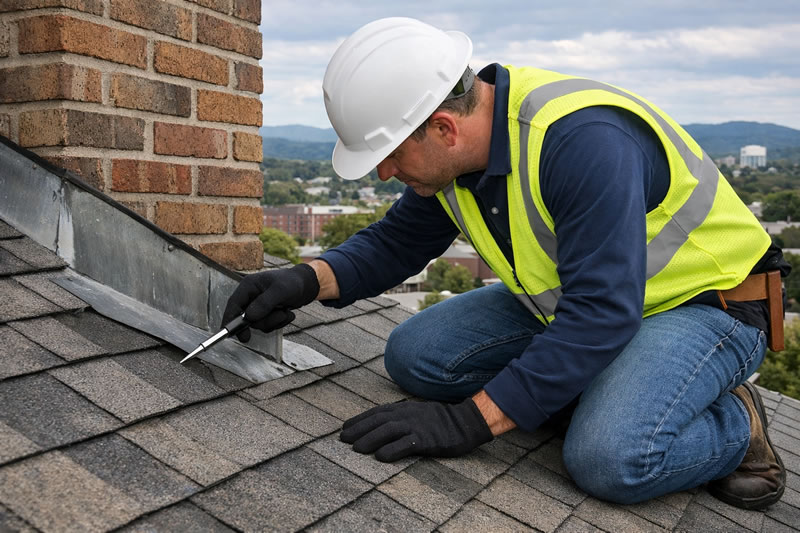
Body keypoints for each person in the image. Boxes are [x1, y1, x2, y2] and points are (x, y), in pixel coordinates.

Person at [222, 17, 789, 509]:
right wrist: (301, 281)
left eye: (390, 154)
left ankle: (736, 423)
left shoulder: (581, 143)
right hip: (588, 304)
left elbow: (600, 316)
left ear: (443, 127)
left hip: (707, 306)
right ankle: (610, 387)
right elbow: (398, 243)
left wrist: (469, 422)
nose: (385, 174)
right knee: (416, 357)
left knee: (609, 458)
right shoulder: (457, 157)